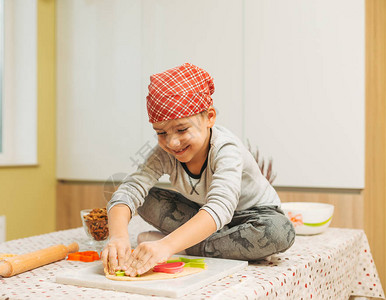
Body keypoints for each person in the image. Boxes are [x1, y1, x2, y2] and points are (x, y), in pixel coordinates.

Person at [101, 63, 295, 277]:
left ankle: (185, 247)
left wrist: (167, 246)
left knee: (279, 232)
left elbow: (221, 206)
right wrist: (118, 237)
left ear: (209, 117)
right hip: (204, 215)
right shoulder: (163, 152)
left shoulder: (226, 148)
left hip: (253, 217)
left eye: (182, 129)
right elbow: (130, 189)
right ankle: (207, 244)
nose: (172, 142)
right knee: (146, 197)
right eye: (161, 132)